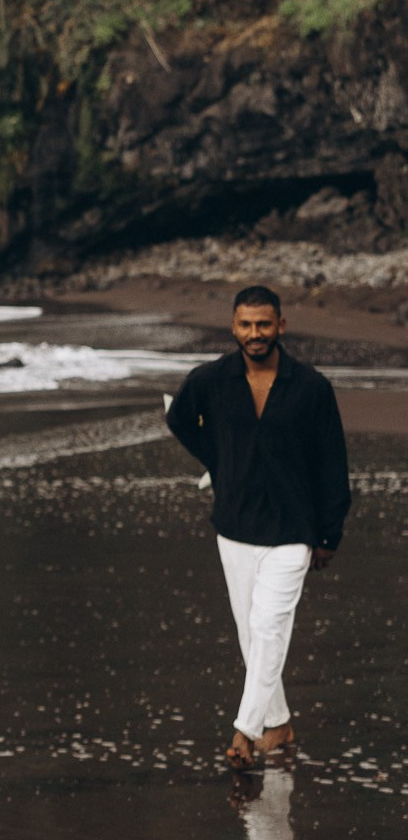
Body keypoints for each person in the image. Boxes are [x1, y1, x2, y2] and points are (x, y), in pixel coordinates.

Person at [165, 284, 350, 771]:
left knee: (269, 628)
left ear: (281, 326)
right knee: (252, 635)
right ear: (233, 327)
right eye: (246, 325)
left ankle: (244, 733)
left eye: (264, 324)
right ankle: (280, 724)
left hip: (294, 529)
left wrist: (330, 533)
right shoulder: (210, 380)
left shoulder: (312, 388)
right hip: (234, 527)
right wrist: (218, 461)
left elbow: (333, 464)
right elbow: (179, 417)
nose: (255, 334)